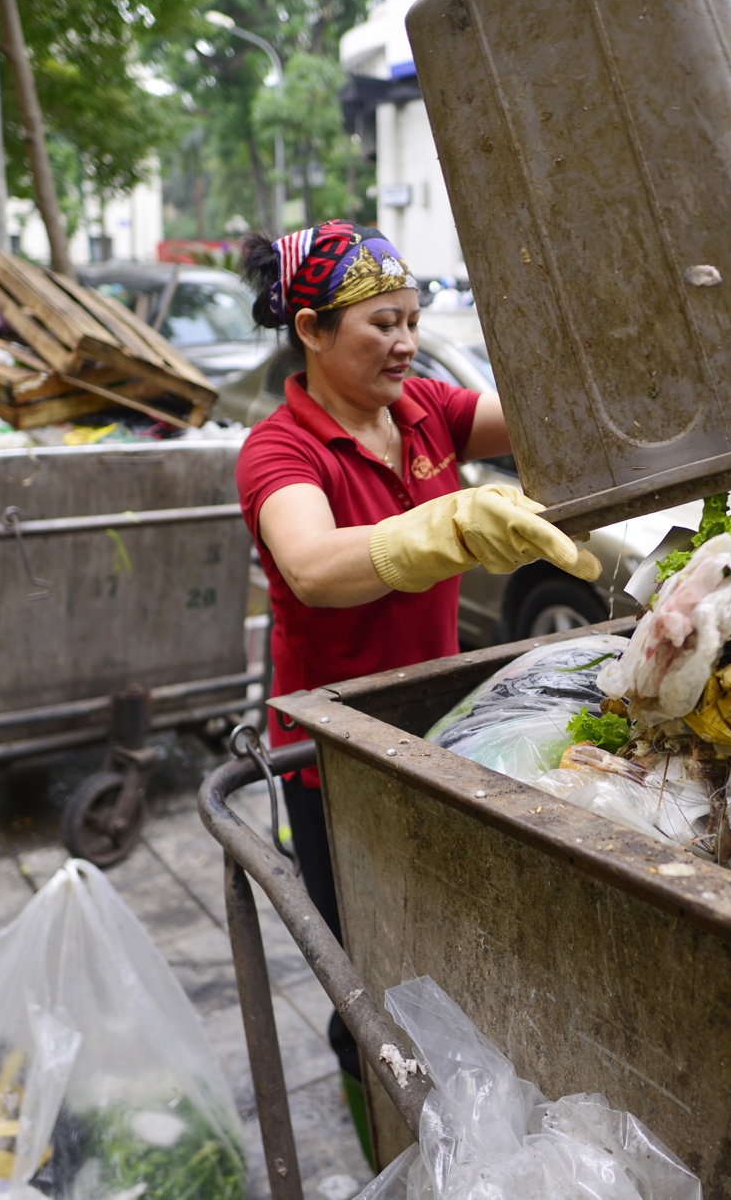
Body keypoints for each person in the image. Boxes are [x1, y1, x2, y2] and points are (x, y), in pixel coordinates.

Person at [231, 220, 601, 1132]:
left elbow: (556, 411)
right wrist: (455, 529)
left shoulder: (427, 411)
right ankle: (382, 1136)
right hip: (335, 754)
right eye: (380, 324)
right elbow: (314, 565)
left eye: (411, 319)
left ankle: (452, 1125)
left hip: (439, 730)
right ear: (311, 330)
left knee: (449, 948)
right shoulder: (282, 450)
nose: (404, 341)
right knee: (364, 976)